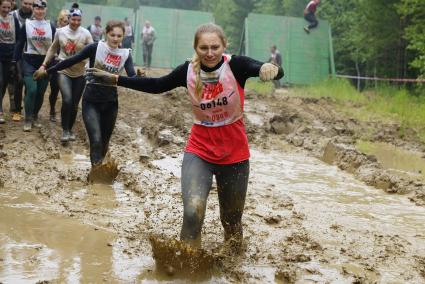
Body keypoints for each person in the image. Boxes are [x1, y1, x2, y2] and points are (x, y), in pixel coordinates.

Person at [86, 23, 284, 249]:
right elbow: (157, 85)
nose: (209, 53)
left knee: (231, 222)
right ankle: (186, 268)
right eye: (203, 48)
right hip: (199, 152)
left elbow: (267, 68)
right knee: (192, 212)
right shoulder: (188, 71)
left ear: (224, 46)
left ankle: (234, 261)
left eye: (214, 47)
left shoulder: (236, 66)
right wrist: (115, 79)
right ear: (196, 48)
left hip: (235, 156)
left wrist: (270, 68)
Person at [35, 20, 136, 173]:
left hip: (111, 103)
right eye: (112, 35)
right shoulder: (95, 48)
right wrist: (47, 70)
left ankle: (101, 166)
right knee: (95, 140)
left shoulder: (125, 54)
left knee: (104, 142)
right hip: (91, 102)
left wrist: (141, 77)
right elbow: (71, 60)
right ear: (106, 33)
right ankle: (97, 175)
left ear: (123, 37)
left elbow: (132, 78)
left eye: (119, 36)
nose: (115, 38)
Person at [34, 4, 92, 142]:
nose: (76, 22)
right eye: (73, 19)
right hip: (63, 69)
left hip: (80, 72)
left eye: (79, 20)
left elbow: (93, 52)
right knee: (67, 99)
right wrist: (44, 65)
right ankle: (65, 130)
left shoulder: (86, 34)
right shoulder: (60, 32)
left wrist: (90, 66)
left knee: (74, 103)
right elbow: (52, 49)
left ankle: (70, 129)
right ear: (69, 18)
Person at [12, 0, 55, 131]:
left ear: (45, 10)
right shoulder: (27, 24)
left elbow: (55, 45)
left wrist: (55, 62)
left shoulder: (51, 26)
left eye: (42, 9)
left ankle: (35, 116)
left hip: (46, 62)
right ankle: (28, 118)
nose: (40, 11)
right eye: (37, 8)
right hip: (29, 61)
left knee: (41, 92)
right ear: (33, 10)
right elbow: (20, 43)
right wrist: (14, 62)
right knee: (32, 90)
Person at [9, 0, 33, 122]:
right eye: (25, 3)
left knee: (29, 83)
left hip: (31, 55)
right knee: (18, 81)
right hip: (15, 53)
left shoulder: (36, 17)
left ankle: (28, 109)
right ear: (21, 2)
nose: (27, 6)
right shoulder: (13, 15)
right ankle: (16, 109)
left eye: (30, 4)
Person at [47, 8, 69, 122]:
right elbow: (50, 47)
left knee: (67, 92)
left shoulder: (75, 33)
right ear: (60, 21)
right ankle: (52, 109)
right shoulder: (55, 31)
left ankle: (66, 114)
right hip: (56, 62)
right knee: (55, 89)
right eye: (65, 21)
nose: (67, 24)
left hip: (69, 64)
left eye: (69, 21)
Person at [0, 0, 19, 124]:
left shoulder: (13, 19)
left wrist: (16, 54)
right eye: (4, 7)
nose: (6, 10)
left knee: (5, 82)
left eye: (8, 7)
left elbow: (20, 36)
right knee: (0, 80)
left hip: (10, 52)